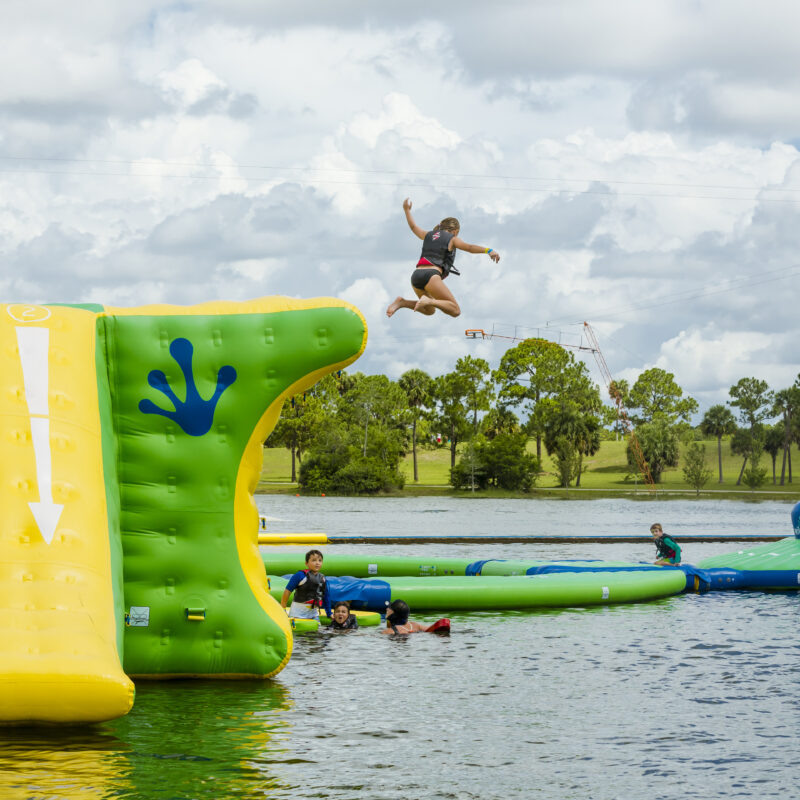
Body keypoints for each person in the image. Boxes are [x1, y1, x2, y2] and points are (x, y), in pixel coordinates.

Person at [386, 198, 500, 319]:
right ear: (455, 231)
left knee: (429, 310)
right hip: (431, 275)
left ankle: (402, 302)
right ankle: (429, 301)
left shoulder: (428, 234)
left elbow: (413, 227)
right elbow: (469, 247)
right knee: (455, 310)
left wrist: (406, 210)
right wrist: (489, 250)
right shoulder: (453, 238)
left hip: (416, 276)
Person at [281, 549, 332, 619]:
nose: (317, 563)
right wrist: (283, 609)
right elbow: (287, 591)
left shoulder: (322, 578)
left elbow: (326, 596)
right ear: (306, 563)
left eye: (320, 560)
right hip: (297, 614)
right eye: (314, 560)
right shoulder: (300, 575)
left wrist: (329, 613)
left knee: (317, 630)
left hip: (313, 615)